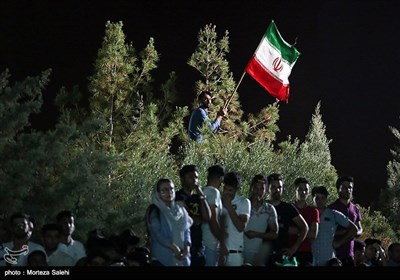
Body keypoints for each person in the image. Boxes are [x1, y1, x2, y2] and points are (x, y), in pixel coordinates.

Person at [146, 178, 193, 266]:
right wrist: (174, 247)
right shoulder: (155, 210)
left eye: (171, 189)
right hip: (161, 257)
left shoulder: (180, 209)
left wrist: (187, 247)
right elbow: (157, 234)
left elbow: (187, 230)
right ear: (158, 193)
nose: (169, 192)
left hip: (182, 257)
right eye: (164, 190)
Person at [311, 186, 358, 266]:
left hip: (328, 260)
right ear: (313, 199)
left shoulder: (333, 214)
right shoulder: (308, 213)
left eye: (323, 198)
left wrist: (339, 242)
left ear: (326, 199)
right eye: (317, 198)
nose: (320, 201)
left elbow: (354, 229)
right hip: (311, 259)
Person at [175, 165, 211, 266]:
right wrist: (198, 219)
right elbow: (190, 220)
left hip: (198, 245)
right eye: (190, 177)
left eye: (196, 177)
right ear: (182, 179)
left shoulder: (198, 197)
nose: (194, 180)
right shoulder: (178, 196)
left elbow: (207, 217)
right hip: (183, 245)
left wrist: (201, 194)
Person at [243, 174, 278, 266]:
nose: (258, 191)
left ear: (265, 190)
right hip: (240, 252)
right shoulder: (242, 204)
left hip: (259, 255)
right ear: (251, 188)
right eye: (255, 188)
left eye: (261, 188)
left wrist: (256, 234)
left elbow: (274, 234)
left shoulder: (269, 209)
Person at [328, 176, 363, 266]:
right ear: (338, 189)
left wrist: (354, 232)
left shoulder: (355, 209)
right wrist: (349, 232)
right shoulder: (331, 209)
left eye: (350, 187)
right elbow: (328, 231)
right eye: (344, 187)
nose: (348, 190)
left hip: (350, 255)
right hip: (334, 255)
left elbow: (360, 229)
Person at [220, 172, 251, 266]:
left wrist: (229, 206)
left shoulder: (243, 202)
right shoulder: (217, 200)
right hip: (218, 252)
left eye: (230, 190)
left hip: (234, 253)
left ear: (237, 189)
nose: (227, 193)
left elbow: (241, 227)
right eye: (225, 189)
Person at [201, 164, 227, 266]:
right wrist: (222, 241)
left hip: (202, 242)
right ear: (221, 178)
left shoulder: (202, 191)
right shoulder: (213, 192)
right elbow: (213, 219)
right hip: (210, 244)